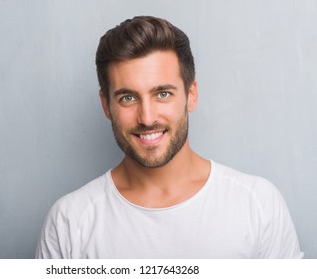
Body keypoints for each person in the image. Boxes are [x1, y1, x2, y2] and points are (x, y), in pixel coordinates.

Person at [36, 16, 303, 258]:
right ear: (106, 105)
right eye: (128, 98)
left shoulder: (257, 204)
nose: (147, 117)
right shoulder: (70, 222)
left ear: (191, 95)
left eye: (162, 94)